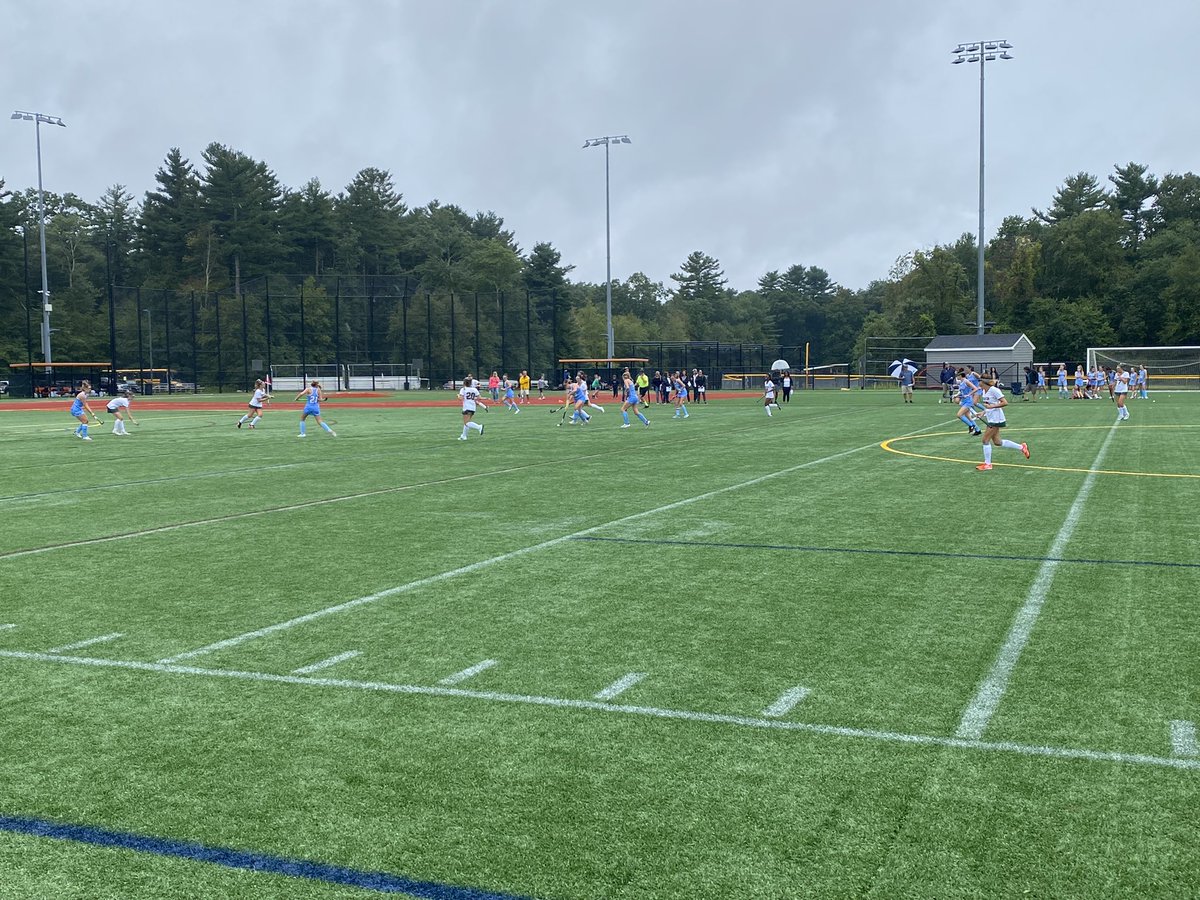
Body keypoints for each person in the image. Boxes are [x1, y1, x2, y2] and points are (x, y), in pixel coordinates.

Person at [976, 378, 1030, 471]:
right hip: (991, 418)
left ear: (983, 382)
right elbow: (990, 405)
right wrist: (983, 412)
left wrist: (991, 406)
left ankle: (988, 464)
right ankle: (1022, 447)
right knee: (997, 442)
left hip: (996, 419)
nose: (978, 382)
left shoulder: (994, 390)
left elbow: (1004, 402)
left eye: (979, 380)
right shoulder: (984, 391)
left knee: (985, 440)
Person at [458, 375, 487, 440]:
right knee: (467, 422)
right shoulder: (474, 389)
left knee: (466, 423)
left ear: (464, 383)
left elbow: (461, 398)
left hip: (466, 407)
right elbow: (479, 397)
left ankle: (479, 427)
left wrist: (458, 396)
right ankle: (464, 436)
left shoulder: (463, 389)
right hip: (473, 407)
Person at [956, 371, 981, 435]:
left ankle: (971, 425)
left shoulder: (966, 381)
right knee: (968, 417)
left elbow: (975, 388)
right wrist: (956, 395)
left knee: (959, 415)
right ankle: (978, 430)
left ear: (961, 376)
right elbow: (961, 391)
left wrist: (969, 394)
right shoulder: (961, 383)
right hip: (964, 401)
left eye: (957, 376)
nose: (957, 377)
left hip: (968, 401)